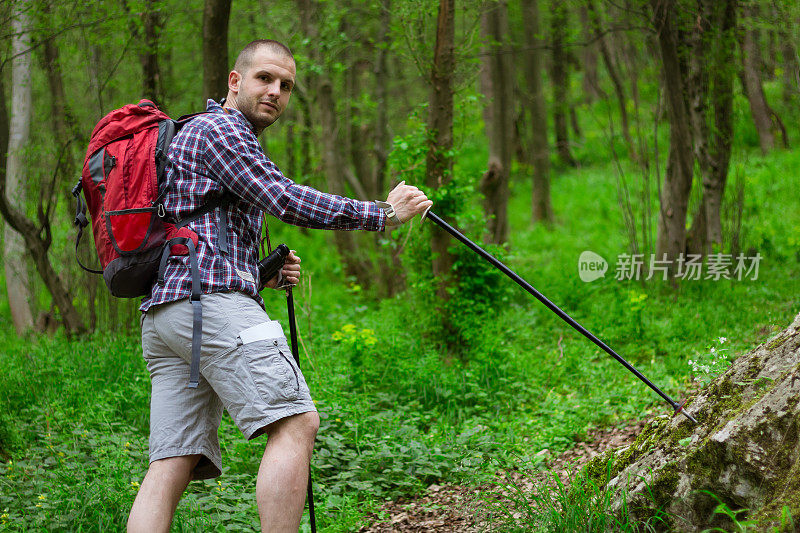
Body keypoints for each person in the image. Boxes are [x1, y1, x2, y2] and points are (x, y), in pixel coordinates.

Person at [126, 39, 432, 532]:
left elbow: (197, 229)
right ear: (234, 81)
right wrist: (382, 214)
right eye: (264, 78)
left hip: (169, 316)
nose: (275, 92)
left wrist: (259, 275)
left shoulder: (196, 134)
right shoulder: (221, 130)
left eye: (285, 85)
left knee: (172, 461)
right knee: (296, 422)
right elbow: (284, 199)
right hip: (209, 308)